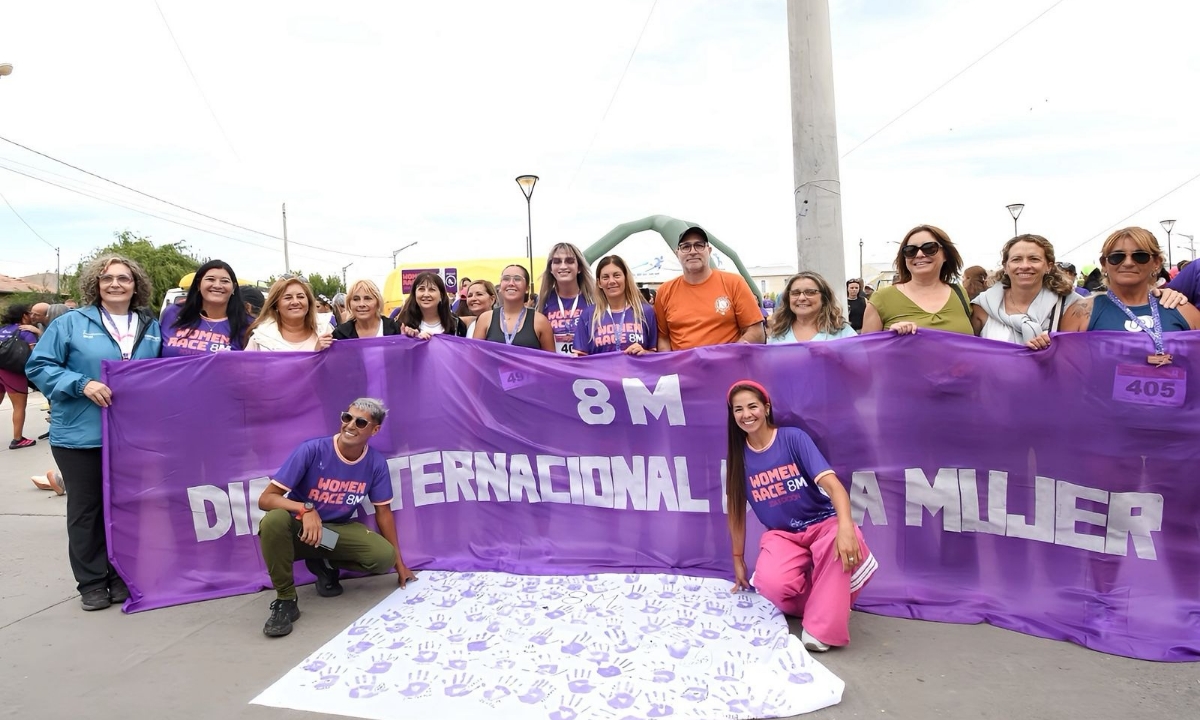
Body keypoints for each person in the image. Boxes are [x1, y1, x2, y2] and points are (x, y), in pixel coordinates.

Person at [25, 254, 162, 611]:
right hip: (80, 435)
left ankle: (121, 576)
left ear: (135, 284)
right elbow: (39, 366)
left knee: (127, 508)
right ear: (96, 285)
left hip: (132, 437)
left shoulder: (151, 326)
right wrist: (81, 383)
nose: (115, 284)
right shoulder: (70, 323)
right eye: (107, 278)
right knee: (87, 510)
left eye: (124, 278)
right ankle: (92, 582)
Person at [725, 381, 876, 652]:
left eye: (752, 406)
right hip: (783, 535)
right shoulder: (739, 457)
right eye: (738, 409)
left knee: (840, 541)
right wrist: (737, 558)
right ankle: (830, 602)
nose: (746, 414)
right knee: (770, 585)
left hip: (822, 524)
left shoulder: (792, 438)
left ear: (766, 408)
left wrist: (845, 527)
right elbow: (736, 510)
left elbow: (834, 487)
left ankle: (821, 629)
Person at [257, 398, 417, 637]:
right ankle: (286, 600)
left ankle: (325, 563)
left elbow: (383, 512)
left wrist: (399, 564)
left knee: (384, 556)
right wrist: (306, 509)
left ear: (374, 430)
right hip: (299, 532)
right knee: (273, 520)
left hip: (331, 535)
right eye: (347, 417)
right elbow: (266, 499)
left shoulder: (375, 463)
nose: (350, 425)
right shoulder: (312, 450)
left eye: (360, 422)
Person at [1060, 227, 1200, 337]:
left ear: (1156, 263)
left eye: (1140, 256)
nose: (1128, 263)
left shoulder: (1184, 311)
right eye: (1117, 257)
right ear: (1104, 264)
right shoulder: (1080, 313)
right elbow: (1067, 363)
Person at [655, 226, 764, 350]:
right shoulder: (664, 291)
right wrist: (670, 361)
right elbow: (663, 338)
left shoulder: (734, 283)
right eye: (685, 247)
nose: (692, 251)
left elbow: (756, 331)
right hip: (683, 363)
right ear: (677, 253)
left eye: (699, 245)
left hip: (727, 361)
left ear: (709, 250)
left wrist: (733, 352)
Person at [970, 235, 1082, 348]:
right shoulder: (983, 306)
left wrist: (1053, 348)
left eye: (1034, 259)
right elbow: (969, 352)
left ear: (1049, 266)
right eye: (1016, 259)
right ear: (1006, 267)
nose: (1024, 266)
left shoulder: (1071, 306)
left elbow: (1078, 353)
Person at [862, 225, 975, 336]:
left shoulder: (960, 293)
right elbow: (865, 347)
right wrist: (890, 338)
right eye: (910, 250)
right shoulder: (881, 299)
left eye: (930, 248)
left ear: (946, 254)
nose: (919, 254)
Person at [160, 260, 250, 357]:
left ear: (233, 288)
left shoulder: (247, 325)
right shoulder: (173, 313)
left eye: (225, 281)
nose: (217, 285)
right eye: (210, 279)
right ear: (198, 284)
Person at [573, 255, 658, 355]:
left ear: (626, 278)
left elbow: (657, 357)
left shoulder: (646, 312)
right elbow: (580, 358)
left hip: (636, 366)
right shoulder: (588, 315)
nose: (612, 281)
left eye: (617, 275)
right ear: (599, 283)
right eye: (605, 277)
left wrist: (644, 353)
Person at [474, 265, 555, 351]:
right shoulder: (485, 319)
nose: (511, 283)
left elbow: (550, 358)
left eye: (517, 279)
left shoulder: (540, 321)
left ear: (527, 288)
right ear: (500, 286)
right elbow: (474, 355)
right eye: (506, 279)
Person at [535, 243, 597, 356]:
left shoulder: (594, 300)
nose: (563, 266)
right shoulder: (543, 302)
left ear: (579, 268)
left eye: (570, 261)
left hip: (586, 364)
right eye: (557, 261)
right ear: (550, 269)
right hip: (554, 365)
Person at [245, 278, 334, 352]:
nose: (295, 302)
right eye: (288, 298)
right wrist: (315, 355)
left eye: (300, 297)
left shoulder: (325, 330)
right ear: (276, 305)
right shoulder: (260, 338)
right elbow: (246, 367)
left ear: (309, 302)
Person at [767, 272, 858, 344]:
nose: (801, 298)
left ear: (824, 298)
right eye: (795, 293)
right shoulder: (779, 332)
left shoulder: (842, 332)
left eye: (810, 292)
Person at [0, 304, 40, 448]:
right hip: (13, 372)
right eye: (29, 313)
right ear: (24, 316)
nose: (31, 316)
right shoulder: (25, 331)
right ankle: (18, 439)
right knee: (19, 406)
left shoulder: (2, 329)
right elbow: (35, 354)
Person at [396, 272, 468, 339]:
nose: (426, 294)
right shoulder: (402, 324)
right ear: (414, 294)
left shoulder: (456, 324)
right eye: (421, 289)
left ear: (441, 296)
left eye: (432, 290)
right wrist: (408, 339)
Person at [332, 279, 401, 339]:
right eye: (356, 299)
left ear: (378, 302)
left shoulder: (396, 329)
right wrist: (325, 346)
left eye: (367, 298)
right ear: (349, 303)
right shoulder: (340, 334)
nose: (361, 304)